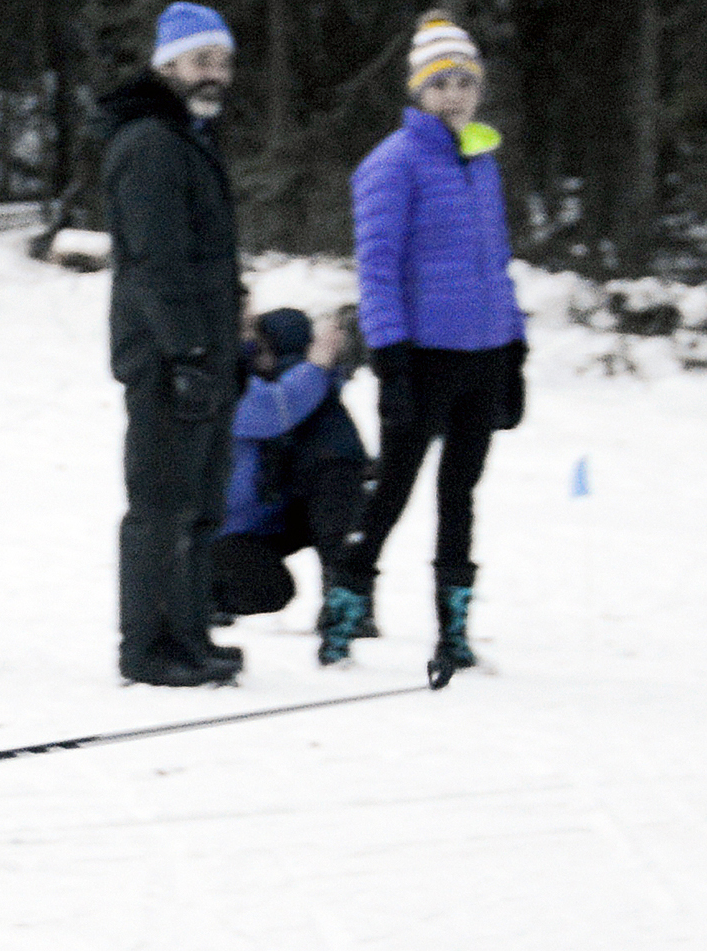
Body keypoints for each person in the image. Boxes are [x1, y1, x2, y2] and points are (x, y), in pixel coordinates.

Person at [317, 10, 528, 671]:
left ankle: (454, 631)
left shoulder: (480, 159)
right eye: (442, 84)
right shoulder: (392, 163)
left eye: (466, 81)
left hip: (485, 353)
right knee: (394, 490)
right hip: (424, 356)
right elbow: (376, 266)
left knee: (460, 493)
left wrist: (515, 349)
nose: (456, 94)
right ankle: (343, 617)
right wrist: (390, 356)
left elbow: (496, 261)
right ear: (418, 90)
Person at [97, 2, 245, 687]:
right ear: (166, 64)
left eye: (221, 61)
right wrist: (186, 354)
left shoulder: (188, 136)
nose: (213, 73)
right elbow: (158, 263)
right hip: (165, 355)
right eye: (199, 60)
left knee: (197, 499)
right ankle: (148, 646)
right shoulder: (152, 141)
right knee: (160, 501)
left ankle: (188, 634)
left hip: (202, 352)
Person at [212, 308, 371, 626]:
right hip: (227, 529)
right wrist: (317, 366)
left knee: (335, 507)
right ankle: (200, 596)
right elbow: (275, 410)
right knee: (270, 586)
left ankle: (345, 599)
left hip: (258, 517)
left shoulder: (264, 375)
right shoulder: (235, 382)